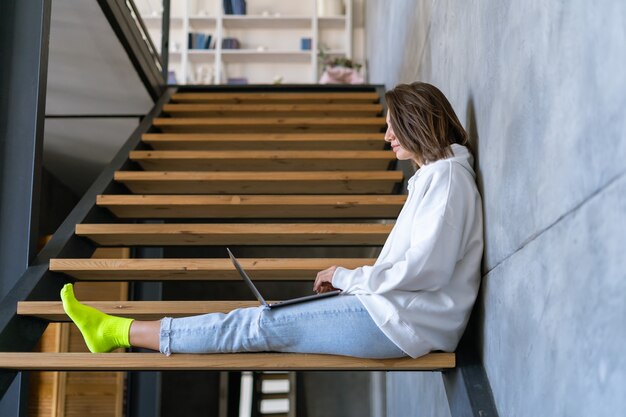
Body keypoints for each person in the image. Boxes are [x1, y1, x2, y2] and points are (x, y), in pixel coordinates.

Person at [60, 82, 484, 359]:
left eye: (393, 128)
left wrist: (345, 275)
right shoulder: (436, 178)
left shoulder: (446, 180)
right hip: (391, 312)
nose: (386, 137)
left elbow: (425, 270)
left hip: (402, 323)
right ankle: (122, 332)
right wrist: (349, 281)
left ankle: (119, 332)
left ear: (415, 124)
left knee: (256, 325)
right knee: (263, 318)